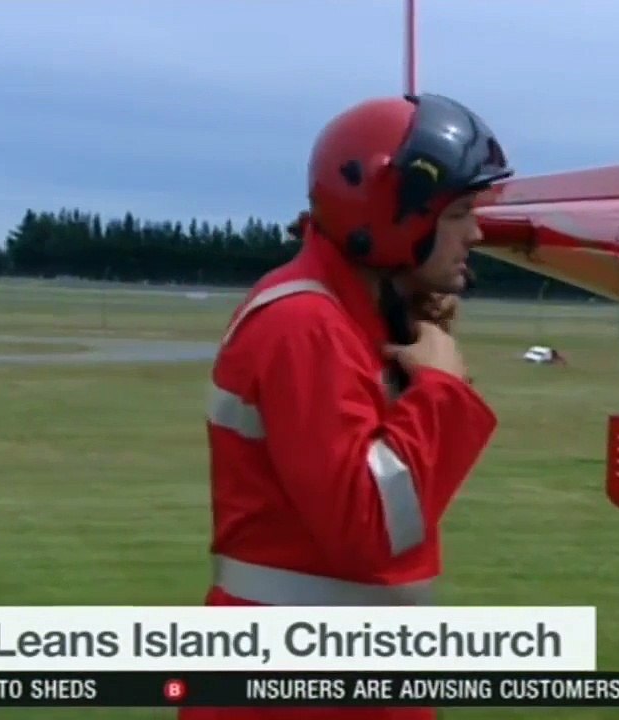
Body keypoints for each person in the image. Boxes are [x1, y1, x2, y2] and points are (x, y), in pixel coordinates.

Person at [181, 93, 513, 720]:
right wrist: (440, 391)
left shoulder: (347, 322)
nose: (477, 233)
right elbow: (371, 530)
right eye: (461, 213)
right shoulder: (306, 326)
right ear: (397, 220)